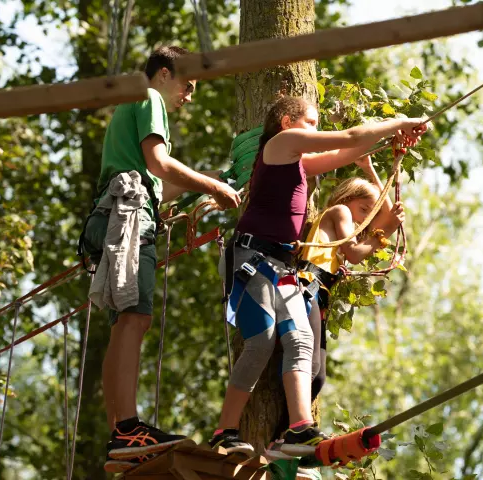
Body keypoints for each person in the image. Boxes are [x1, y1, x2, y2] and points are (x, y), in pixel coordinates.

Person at [209, 95, 427, 455]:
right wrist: (402, 119)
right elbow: (350, 135)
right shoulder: (280, 144)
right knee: (262, 341)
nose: (315, 129)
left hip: (282, 265)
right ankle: (225, 430)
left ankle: (299, 428)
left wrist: (390, 142)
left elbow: (352, 148)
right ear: (286, 121)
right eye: (311, 122)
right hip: (253, 256)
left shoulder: (299, 163)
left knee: (299, 340)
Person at [81, 45, 241, 473]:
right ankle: (129, 429)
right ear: (165, 74)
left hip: (115, 216)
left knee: (125, 322)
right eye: (188, 85)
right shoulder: (150, 98)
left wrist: (210, 186)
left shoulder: (130, 106)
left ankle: (121, 433)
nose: (190, 95)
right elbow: (159, 162)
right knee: (135, 319)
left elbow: (158, 185)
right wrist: (212, 186)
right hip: (128, 219)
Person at [266, 155, 406, 460]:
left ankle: (282, 438)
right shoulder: (340, 211)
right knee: (308, 364)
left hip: (319, 293)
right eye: (363, 210)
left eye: (369, 213)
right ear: (348, 199)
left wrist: (370, 169)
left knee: (317, 376)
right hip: (305, 286)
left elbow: (386, 215)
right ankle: (295, 429)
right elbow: (355, 252)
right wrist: (381, 232)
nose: (365, 219)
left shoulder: (343, 221)